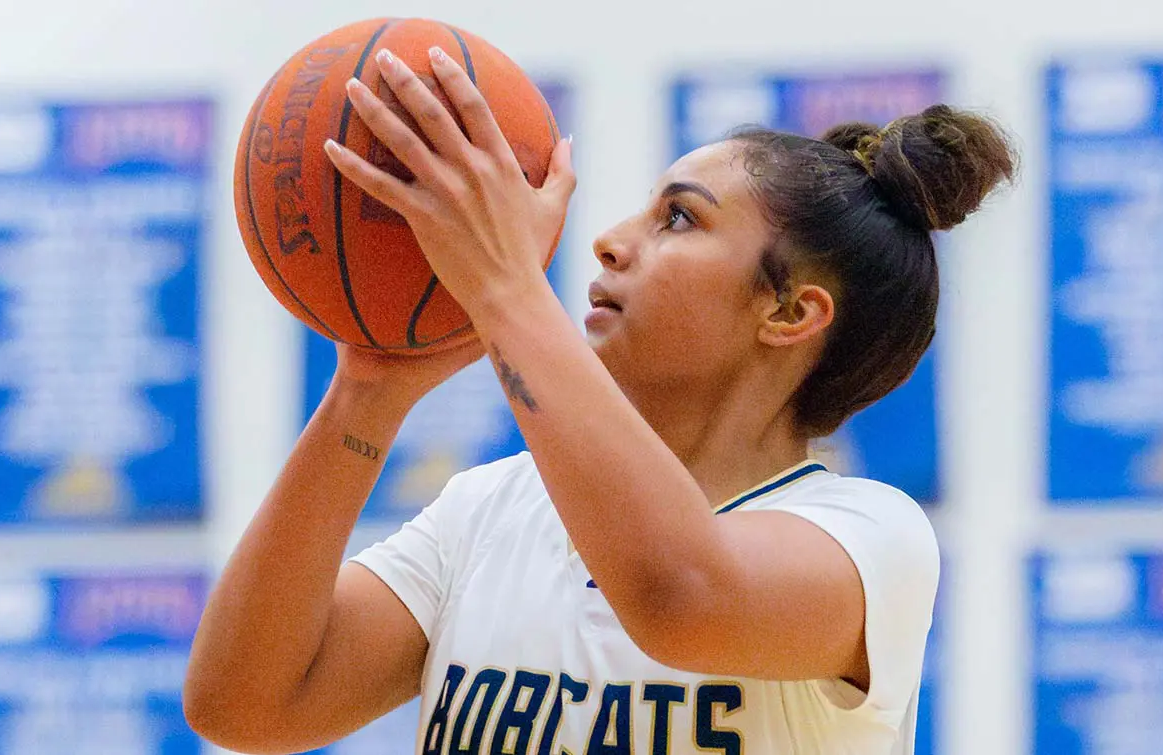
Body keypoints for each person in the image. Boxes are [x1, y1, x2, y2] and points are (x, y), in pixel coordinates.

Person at [185, 46, 1015, 755]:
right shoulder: (488, 509)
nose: (610, 240)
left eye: (678, 220)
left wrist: (508, 287)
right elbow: (244, 703)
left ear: (790, 310)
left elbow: (679, 595)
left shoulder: (868, 538)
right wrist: (366, 390)